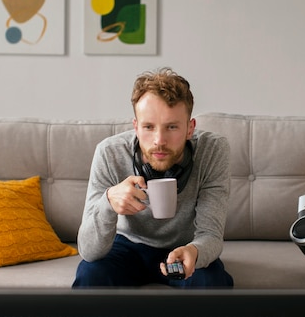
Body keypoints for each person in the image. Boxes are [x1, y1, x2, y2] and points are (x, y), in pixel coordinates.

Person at [72, 67, 233, 288]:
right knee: (90, 275)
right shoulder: (109, 153)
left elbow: (211, 235)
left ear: (190, 128)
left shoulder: (213, 151)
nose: (159, 140)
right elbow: (88, 251)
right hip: (125, 245)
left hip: (184, 246)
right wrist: (108, 202)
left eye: (172, 127)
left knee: (212, 283)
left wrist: (194, 251)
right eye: (148, 127)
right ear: (136, 127)